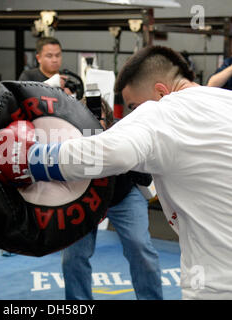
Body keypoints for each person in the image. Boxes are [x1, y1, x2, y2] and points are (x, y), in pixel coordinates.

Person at [0, 45, 232, 299]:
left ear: (161, 92)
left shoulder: (163, 111)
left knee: (140, 247)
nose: (133, 116)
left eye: (134, 106)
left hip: (216, 285)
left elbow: (106, 154)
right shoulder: (225, 100)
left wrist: (29, 160)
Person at [62, 99, 163, 300]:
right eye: (85, 127)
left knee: (139, 245)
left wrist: (128, 161)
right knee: (72, 256)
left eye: (96, 128)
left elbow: (146, 175)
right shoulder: (67, 132)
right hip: (83, 198)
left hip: (123, 195)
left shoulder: (125, 132)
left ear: (108, 124)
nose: (90, 132)